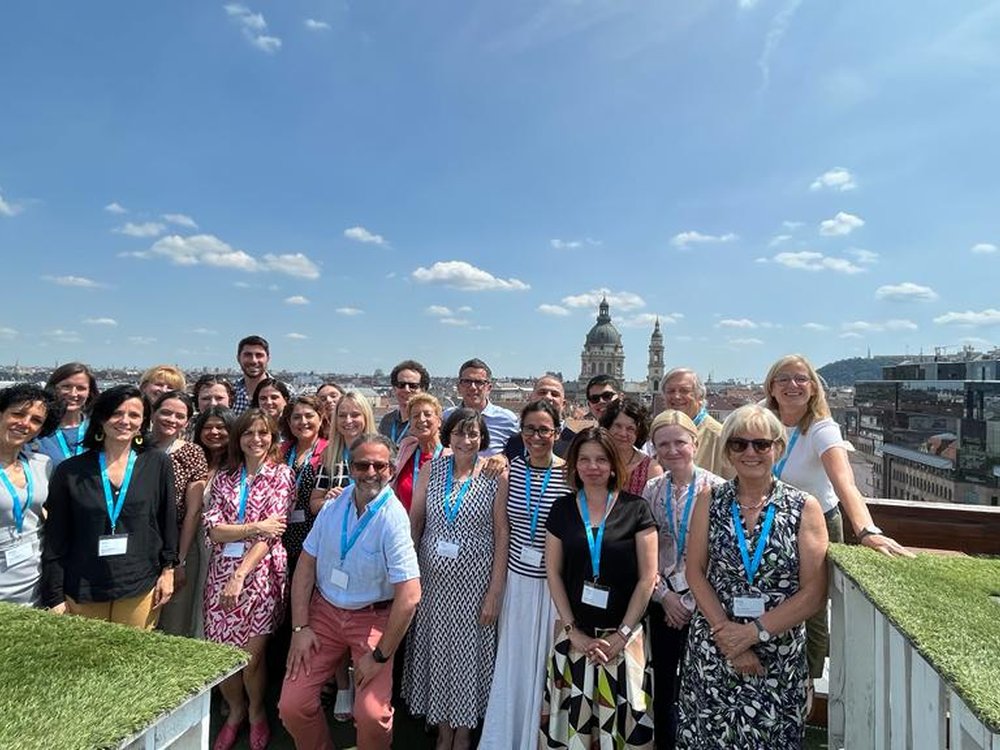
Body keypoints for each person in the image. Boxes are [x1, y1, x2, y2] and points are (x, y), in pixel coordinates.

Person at [676, 404, 828, 748]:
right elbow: (695, 572)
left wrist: (752, 634)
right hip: (715, 650)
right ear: (728, 450)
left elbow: (815, 593)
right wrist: (727, 636)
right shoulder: (709, 500)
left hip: (775, 654)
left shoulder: (804, 507)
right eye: (739, 444)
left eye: (761, 444)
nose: (750, 452)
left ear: (778, 447)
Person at [763, 354, 911, 699]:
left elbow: (845, 483)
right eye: (783, 378)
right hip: (772, 519)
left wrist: (866, 531)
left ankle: (810, 686)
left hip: (815, 524)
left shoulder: (821, 428)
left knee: (812, 606)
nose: (792, 385)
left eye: (801, 378)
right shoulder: (764, 419)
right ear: (771, 387)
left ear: (814, 387)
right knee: (771, 600)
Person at [279, 434, 421, 750]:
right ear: (350, 467)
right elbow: (305, 567)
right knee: (292, 706)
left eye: (379, 465)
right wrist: (299, 628)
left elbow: (410, 596)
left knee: (371, 715)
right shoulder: (333, 507)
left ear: (392, 469)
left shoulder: (393, 518)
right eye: (362, 464)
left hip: (372, 619)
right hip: (324, 614)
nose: (370, 472)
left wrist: (381, 656)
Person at [541, 426, 657, 749]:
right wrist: (572, 630)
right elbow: (553, 570)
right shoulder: (562, 509)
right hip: (575, 638)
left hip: (623, 640)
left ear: (613, 465)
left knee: (620, 732)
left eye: (601, 460)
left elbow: (648, 577)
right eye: (585, 460)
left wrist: (620, 636)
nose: (593, 467)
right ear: (574, 465)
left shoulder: (636, 509)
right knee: (573, 731)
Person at [403, 408, 509, 749]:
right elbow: (415, 524)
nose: (467, 440)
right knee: (437, 650)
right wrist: (408, 580)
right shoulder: (431, 470)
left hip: (475, 584)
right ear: (448, 436)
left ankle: (462, 730)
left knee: (467, 655)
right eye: (460, 433)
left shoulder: (494, 474)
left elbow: (501, 534)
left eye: (474, 434)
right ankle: (442, 726)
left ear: (483, 438)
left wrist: (495, 591)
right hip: (433, 583)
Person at [42, 385, 177, 629]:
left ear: (143, 422)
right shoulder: (71, 471)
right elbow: (56, 538)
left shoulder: (157, 462)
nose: (125, 421)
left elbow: (166, 519)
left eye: (134, 415)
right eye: (117, 413)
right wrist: (54, 595)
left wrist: (168, 571)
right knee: (87, 661)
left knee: (133, 659)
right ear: (102, 417)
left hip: (139, 583)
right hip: (84, 584)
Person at [480, 400, 572, 749]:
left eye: (544, 430)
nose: (537, 436)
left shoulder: (570, 474)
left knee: (550, 665)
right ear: (521, 433)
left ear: (557, 433)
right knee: (514, 665)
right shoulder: (510, 471)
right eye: (530, 429)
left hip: (554, 588)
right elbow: (502, 533)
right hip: (518, 585)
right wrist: (496, 591)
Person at [203, 408, 294, 750]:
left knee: (252, 657)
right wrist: (255, 526)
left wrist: (240, 574)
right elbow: (213, 530)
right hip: (220, 574)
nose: (256, 440)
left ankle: (256, 712)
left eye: (263, 433)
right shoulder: (225, 477)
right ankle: (235, 711)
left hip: (261, 575)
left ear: (272, 438)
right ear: (237, 439)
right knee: (223, 654)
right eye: (248, 434)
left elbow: (274, 532)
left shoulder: (282, 475)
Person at [641, 410, 725, 748]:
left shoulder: (717, 489)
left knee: (702, 683)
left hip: (705, 604)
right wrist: (666, 597)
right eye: (664, 444)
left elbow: (721, 557)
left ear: (695, 442)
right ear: (655, 449)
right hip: (662, 601)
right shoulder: (651, 489)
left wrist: (689, 601)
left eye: (680, 442)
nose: (672, 450)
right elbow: (645, 552)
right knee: (663, 685)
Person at [148, 390, 209, 637]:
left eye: (179, 415)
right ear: (152, 414)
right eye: (166, 412)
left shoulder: (192, 453)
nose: (172, 419)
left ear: (187, 421)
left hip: (179, 545)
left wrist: (179, 561)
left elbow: (193, 511)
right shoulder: (136, 447)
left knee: (174, 624)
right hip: (142, 546)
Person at [0, 384, 60, 606]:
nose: (25, 423)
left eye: (36, 420)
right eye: (17, 414)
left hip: (35, 585)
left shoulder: (42, 465)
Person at [191, 405, 236, 638]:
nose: (214, 432)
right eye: (208, 427)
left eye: (221, 427)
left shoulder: (238, 468)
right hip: (191, 540)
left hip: (221, 544)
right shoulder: (193, 462)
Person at [279, 394, 329, 570]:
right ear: (289, 422)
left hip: (314, 537)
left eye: (309, 416)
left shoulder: (329, 452)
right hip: (281, 534)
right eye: (296, 417)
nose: (303, 421)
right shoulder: (281, 451)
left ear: (321, 418)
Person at [661, 368, 733, 479]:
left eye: (684, 391)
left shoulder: (720, 436)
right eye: (671, 391)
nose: (676, 396)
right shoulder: (659, 432)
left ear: (700, 396)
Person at [311, 390, 376, 513]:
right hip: (339, 528)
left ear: (366, 417)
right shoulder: (330, 455)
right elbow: (314, 505)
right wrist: (329, 500)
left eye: (355, 415)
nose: (348, 420)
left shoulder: (380, 453)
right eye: (342, 415)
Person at [444, 358, 517, 457]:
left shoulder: (507, 419)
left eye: (479, 382)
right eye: (467, 381)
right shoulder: (446, 417)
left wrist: (502, 458)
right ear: (459, 387)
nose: (473, 387)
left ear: (489, 388)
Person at [34, 362, 99, 467]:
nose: (73, 394)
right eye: (66, 386)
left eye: (81, 388)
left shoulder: (98, 429)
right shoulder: (37, 430)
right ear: (53, 388)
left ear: (89, 392)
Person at [392, 393, 445, 513]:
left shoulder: (451, 456)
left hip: (437, 529)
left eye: (427, 414)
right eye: (415, 416)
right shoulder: (404, 454)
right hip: (406, 527)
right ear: (410, 424)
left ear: (439, 421)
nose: (421, 419)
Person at [502, 375, 576, 460]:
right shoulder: (513, 442)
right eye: (542, 392)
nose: (548, 397)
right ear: (530, 398)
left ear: (563, 404)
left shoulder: (575, 442)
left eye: (555, 394)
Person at [600, 398, 663, 493]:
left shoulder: (651, 469)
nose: (623, 433)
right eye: (618, 426)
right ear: (608, 427)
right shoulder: (595, 461)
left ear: (639, 433)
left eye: (630, 429)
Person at [378, 360, 430, 446]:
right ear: (394, 389)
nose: (406, 390)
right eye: (401, 385)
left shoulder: (429, 423)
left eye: (413, 386)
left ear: (423, 389)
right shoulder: (386, 421)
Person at [232, 335, 271, 415]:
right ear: (238, 359)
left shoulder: (285, 391)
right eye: (248, 355)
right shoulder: (230, 392)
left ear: (268, 359)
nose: (253, 361)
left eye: (259, 355)